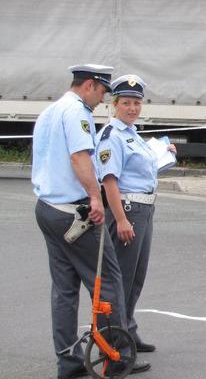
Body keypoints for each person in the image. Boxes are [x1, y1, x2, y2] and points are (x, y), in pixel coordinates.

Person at [32, 65, 150, 379]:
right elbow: (79, 157)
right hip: (75, 212)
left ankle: (69, 361)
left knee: (64, 288)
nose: (101, 100)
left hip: (47, 208)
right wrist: (94, 197)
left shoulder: (50, 111)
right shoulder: (77, 113)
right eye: (101, 92)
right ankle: (117, 359)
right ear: (88, 85)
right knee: (109, 280)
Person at [96, 74, 175, 356]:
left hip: (144, 209)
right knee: (121, 279)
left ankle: (127, 329)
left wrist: (163, 153)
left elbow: (142, 171)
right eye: (126, 103)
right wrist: (120, 219)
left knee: (136, 277)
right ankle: (114, 341)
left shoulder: (133, 135)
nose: (132, 108)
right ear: (114, 105)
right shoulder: (111, 136)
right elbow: (109, 180)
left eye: (136, 103)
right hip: (128, 209)